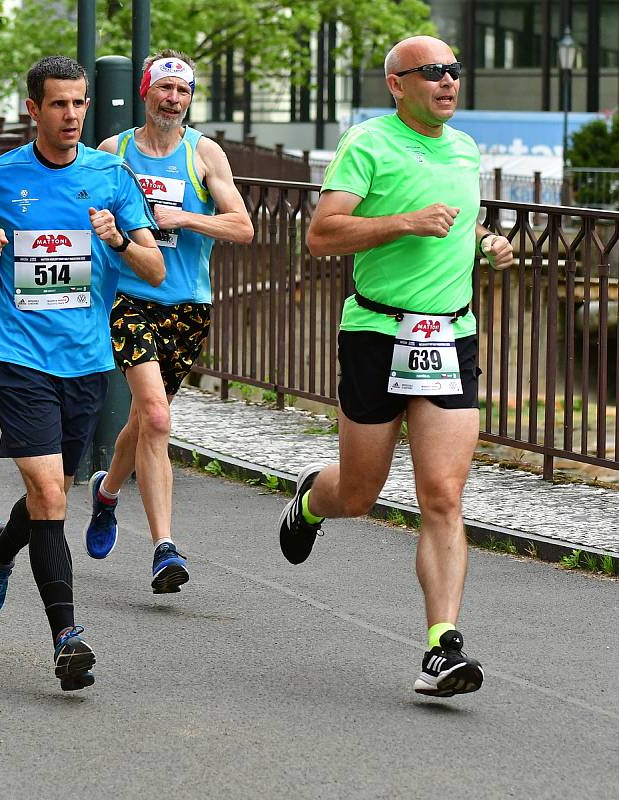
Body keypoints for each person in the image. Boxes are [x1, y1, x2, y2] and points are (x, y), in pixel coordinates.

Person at [278, 36, 514, 698]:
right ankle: (310, 499)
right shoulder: (367, 145)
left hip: (449, 339)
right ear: (396, 84)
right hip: (377, 333)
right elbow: (321, 235)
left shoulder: (464, 149)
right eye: (431, 72)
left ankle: (442, 647)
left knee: (441, 494)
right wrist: (404, 221)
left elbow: (458, 220)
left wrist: (484, 240)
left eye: (453, 71)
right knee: (358, 494)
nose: (446, 81)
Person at [0, 55, 164, 691]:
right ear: (34, 110)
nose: (72, 116)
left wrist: (121, 241)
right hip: (16, 352)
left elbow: (152, 269)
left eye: (79, 104)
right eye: (59, 105)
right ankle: (66, 634)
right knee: (48, 495)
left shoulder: (111, 177)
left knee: (56, 491)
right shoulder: (1, 173)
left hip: (86, 358)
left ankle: (0, 547)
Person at [85, 49, 253, 593]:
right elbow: (85, 211)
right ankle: (164, 548)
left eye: (182, 91)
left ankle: (107, 492)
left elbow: (242, 228)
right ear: (145, 93)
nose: (172, 99)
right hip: (128, 296)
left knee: (143, 419)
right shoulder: (116, 151)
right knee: (156, 418)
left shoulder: (203, 153)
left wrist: (183, 217)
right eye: (164, 89)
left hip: (187, 304)